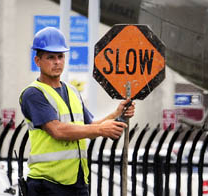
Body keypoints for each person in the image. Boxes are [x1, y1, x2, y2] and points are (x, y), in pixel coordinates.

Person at [20, 27, 135, 196]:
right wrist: (100, 129)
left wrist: (117, 114)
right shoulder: (34, 93)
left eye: (60, 56)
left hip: (78, 182)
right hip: (47, 184)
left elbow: (89, 126)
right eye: (50, 57)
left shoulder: (72, 91)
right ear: (37, 61)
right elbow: (57, 130)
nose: (57, 62)